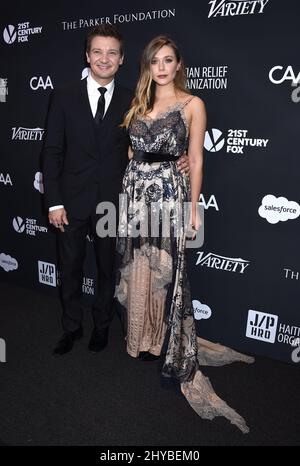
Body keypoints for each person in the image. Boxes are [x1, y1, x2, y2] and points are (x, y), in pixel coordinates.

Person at [115, 35, 254, 433]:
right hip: (135, 196)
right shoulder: (139, 103)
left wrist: (193, 206)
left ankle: (165, 344)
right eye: (154, 61)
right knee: (139, 268)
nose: (161, 67)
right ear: (147, 66)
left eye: (168, 60)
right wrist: (140, 167)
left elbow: (195, 157)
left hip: (168, 200)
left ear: (179, 65)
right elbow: (131, 150)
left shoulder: (193, 105)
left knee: (167, 273)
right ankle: (142, 340)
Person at [42, 25, 189, 356]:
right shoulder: (63, 96)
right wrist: (54, 203)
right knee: (70, 267)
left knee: (109, 268)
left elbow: (151, 141)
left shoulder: (135, 100)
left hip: (114, 201)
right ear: (87, 56)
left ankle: (102, 327)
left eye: (112, 53)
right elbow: (51, 152)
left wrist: (181, 157)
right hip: (72, 200)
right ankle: (71, 327)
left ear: (122, 59)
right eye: (97, 52)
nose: (104, 59)